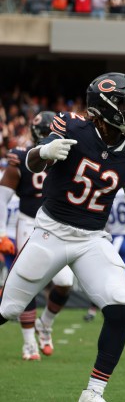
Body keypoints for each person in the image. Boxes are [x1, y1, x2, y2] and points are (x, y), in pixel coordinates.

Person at [0, 72, 125, 402]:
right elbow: (31, 163)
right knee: (8, 309)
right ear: (105, 107)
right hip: (50, 232)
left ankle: (93, 393)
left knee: (119, 305)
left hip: (93, 239)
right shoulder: (71, 128)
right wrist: (44, 151)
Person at [0, 111, 75, 360]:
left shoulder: (69, 153)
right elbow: (2, 198)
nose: (48, 137)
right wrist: (1, 232)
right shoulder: (21, 158)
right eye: (44, 133)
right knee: (28, 279)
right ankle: (28, 343)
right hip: (28, 223)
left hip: (56, 224)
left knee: (65, 283)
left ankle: (45, 324)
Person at [84, 188, 125, 325]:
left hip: (111, 240)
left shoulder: (109, 192)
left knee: (106, 278)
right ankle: (123, 315)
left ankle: (94, 310)